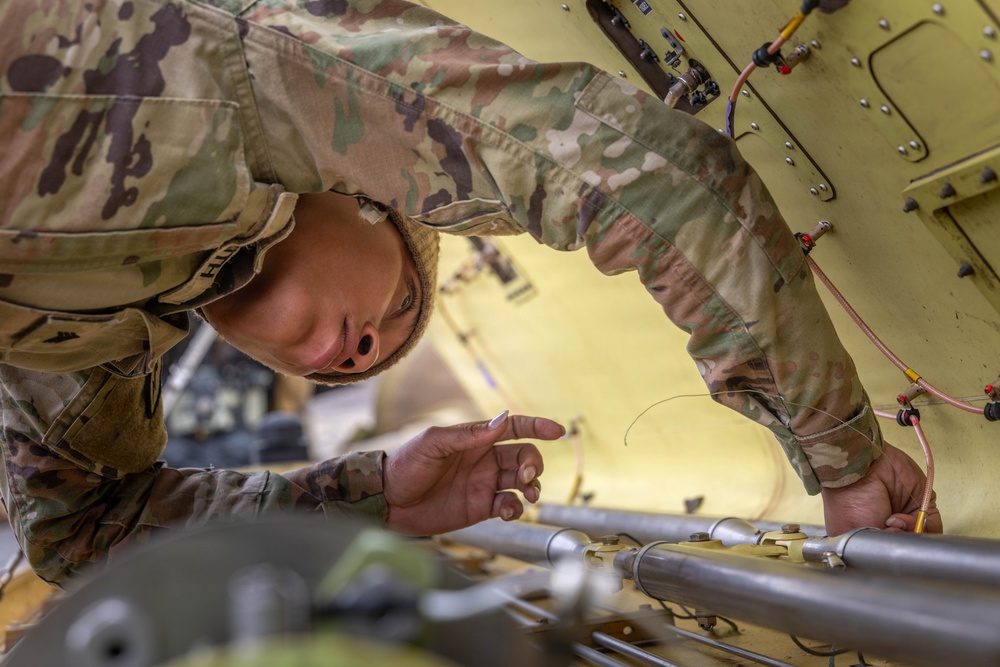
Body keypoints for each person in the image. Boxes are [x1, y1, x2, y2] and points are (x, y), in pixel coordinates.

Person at [0, 0, 938, 586]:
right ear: (374, 202)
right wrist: (846, 464)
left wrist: (369, 500)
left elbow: (83, 535)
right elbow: (651, 180)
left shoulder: (88, 347)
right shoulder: (240, 58)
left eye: (351, 366)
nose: (363, 350)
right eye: (402, 305)